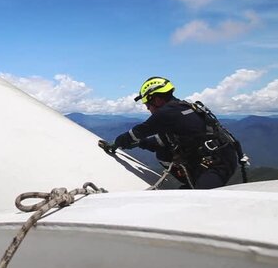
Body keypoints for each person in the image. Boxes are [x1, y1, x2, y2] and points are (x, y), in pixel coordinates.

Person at [103, 76, 241, 189]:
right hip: (221, 155)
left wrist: (115, 144)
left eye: (148, 104)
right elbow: (163, 140)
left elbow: (136, 133)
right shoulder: (183, 107)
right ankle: (192, 183)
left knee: (201, 201)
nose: (148, 109)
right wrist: (141, 143)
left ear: (157, 99)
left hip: (218, 163)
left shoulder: (166, 114)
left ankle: (193, 187)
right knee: (163, 152)